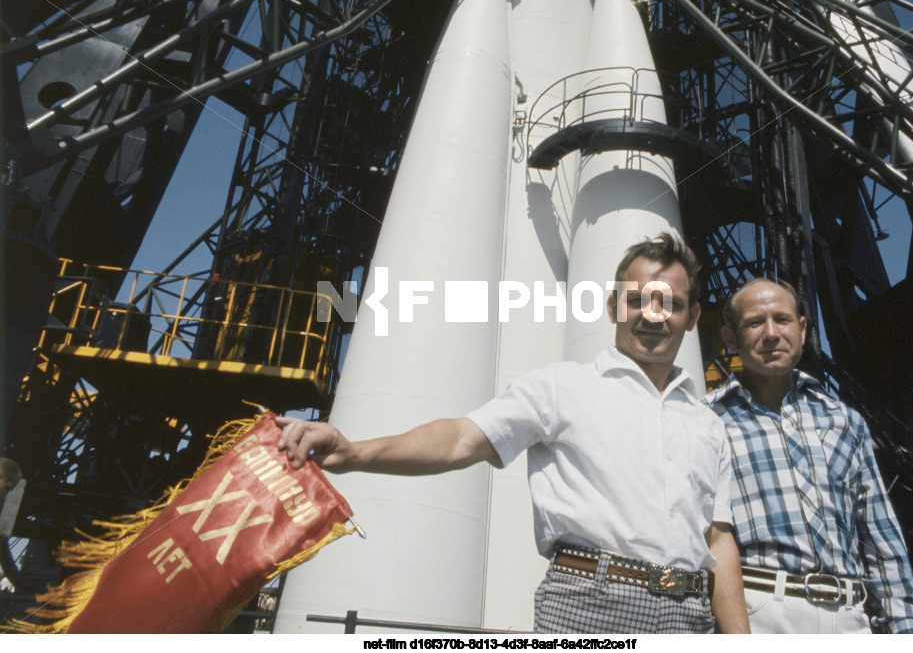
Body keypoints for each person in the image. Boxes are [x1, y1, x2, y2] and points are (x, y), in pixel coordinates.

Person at [278, 233, 750, 634]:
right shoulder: (562, 387)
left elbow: (718, 542)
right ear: (612, 308)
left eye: (670, 304)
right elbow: (462, 438)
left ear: (692, 317)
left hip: (689, 617)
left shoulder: (707, 422)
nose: (653, 315)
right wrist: (356, 451)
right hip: (589, 604)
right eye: (637, 300)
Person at [703, 278, 913, 633]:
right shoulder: (707, 420)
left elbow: (882, 542)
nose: (771, 333)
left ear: (803, 329)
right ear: (730, 337)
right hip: (759, 612)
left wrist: (910, 630)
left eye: (782, 319)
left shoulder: (844, 421)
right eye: (753, 322)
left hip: (849, 616)